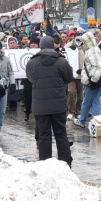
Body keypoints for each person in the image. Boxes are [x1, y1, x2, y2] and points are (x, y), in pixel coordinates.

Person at [26, 36, 73, 167]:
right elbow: (68, 78)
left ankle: (45, 164)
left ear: (40, 46)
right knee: (61, 134)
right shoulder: (61, 62)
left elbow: (30, 78)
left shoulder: (32, 62)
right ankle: (65, 163)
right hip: (58, 104)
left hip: (40, 105)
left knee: (44, 135)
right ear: (53, 46)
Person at [73, 32, 101, 128]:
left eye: (83, 41)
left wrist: (92, 80)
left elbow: (98, 66)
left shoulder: (92, 51)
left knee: (87, 102)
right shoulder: (94, 49)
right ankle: (96, 122)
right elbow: (92, 65)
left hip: (92, 82)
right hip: (97, 81)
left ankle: (82, 121)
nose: (82, 44)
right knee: (94, 102)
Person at [0, 40, 16, 132]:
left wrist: (12, 83)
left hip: (3, 88)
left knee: (2, 111)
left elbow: (11, 72)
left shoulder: (6, 58)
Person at [65, 34, 84, 121]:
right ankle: (71, 111)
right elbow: (65, 51)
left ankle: (78, 111)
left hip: (82, 74)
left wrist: (83, 69)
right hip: (71, 74)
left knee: (81, 94)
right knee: (71, 92)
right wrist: (71, 45)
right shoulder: (70, 46)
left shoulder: (85, 47)